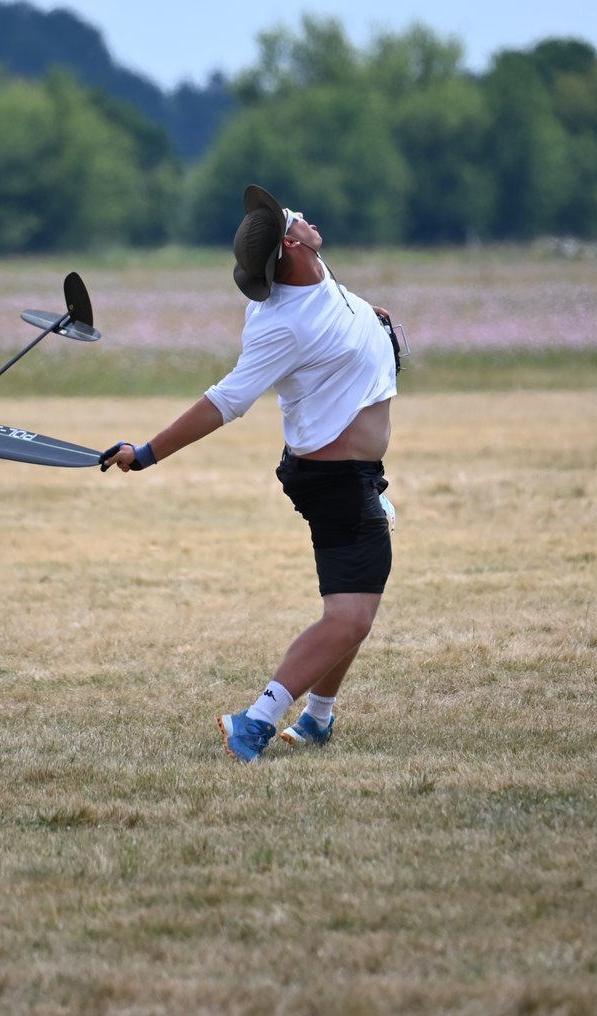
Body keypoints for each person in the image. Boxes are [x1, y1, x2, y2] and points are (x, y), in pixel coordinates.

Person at [101, 184, 399, 763]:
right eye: (295, 218)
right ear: (290, 245)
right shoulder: (279, 324)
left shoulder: (316, 274)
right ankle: (255, 719)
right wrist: (147, 452)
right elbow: (226, 400)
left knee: (352, 613)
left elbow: (334, 312)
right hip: (336, 483)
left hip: (356, 473)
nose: (304, 216)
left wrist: (372, 318)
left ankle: (317, 718)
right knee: (350, 616)